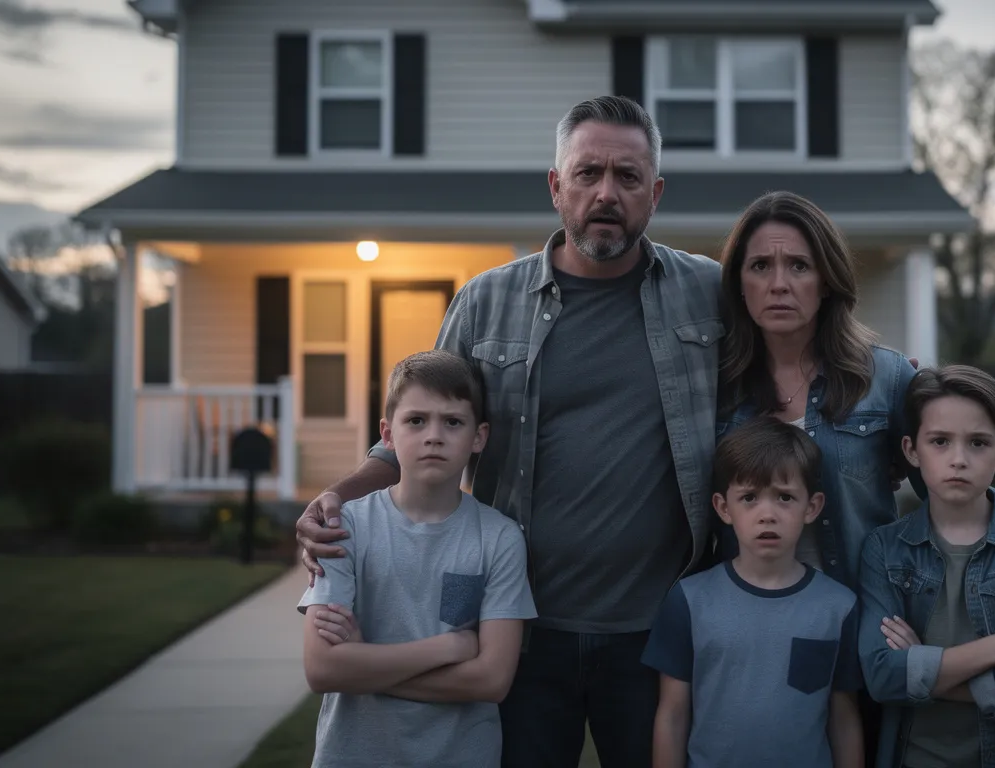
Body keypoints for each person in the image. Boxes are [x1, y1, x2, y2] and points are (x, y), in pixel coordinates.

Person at [294, 95, 723, 768]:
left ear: (655, 192)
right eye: (587, 173)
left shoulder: (707, 293)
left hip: (656, 628)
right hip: (519, 626)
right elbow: (417, 431)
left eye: (628, 176)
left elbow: (797, 358)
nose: (606, 193)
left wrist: (886, 373)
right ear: (556, 186)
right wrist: (333, 500)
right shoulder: (485, 300)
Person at [711, 190, 995, 759]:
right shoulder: (714, 386)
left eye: (799, 265)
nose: (779, 283)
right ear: (739, 281)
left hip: (863, 623)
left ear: (828, 279)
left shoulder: (884, 378)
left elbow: (949, 466)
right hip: (751, 627)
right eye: (761, 266)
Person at [298, 350, 537, 768]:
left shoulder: (499, 538)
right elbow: (322, 669)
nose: (434, 436)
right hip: (353, 756)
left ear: (479, 437)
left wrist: (364, 664)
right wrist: (451, 646)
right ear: (387, 435)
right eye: (416, 420)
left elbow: (492, 680)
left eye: (453, 422)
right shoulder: (344, 528)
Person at [858, 364, 995, 768]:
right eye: (940, 441)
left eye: (978, 443)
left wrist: (925, 667)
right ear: (911, 450)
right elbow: (881, 676)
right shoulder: (885, 550)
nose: (958, 459)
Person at [644, 417, 864, 768]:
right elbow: (671, 715)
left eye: (784, 497)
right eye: (749, 497)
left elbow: (844, 718)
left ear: (812, 507)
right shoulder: (689, 600)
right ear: (723, 508)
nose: (767, 514)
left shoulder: (838, 607)